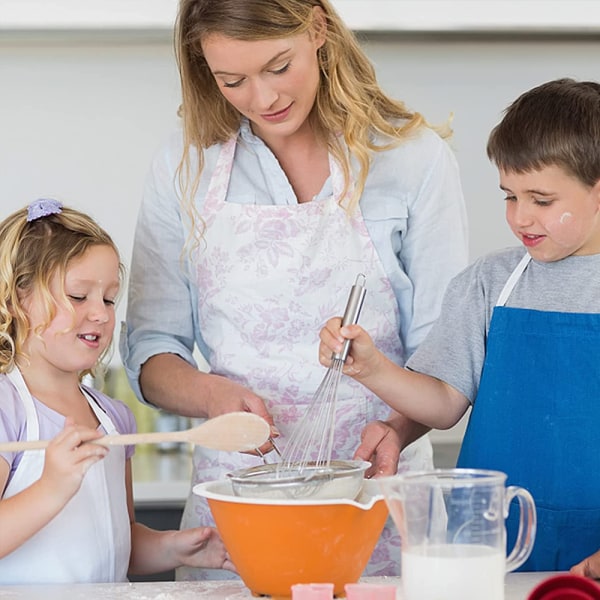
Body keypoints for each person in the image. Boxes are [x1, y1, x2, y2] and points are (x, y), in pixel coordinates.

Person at [121, 0, 468, 578]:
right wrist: (210, 396)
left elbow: (445, 360)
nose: (262, 99)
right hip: (237, 513)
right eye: (232, 80)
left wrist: (398, 428)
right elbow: (152, 351)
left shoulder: (412, 160)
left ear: (318, 28)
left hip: (380, 504)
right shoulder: (184, 165)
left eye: (278, 67)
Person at [319, 78, 600, 573]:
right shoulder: (490, 283)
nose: (520, 218)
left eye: (542, 199)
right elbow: (444, 403)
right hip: (492, 544)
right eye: (509, 196)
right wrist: (371, 368)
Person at [0, 199, 235, 583]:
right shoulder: (6, 409)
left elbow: (118, 542)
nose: (102, 313)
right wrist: (51, 488)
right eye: (79, 296)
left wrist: (173, 548)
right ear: (16, 300)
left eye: (109, 298)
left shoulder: (112, 418)